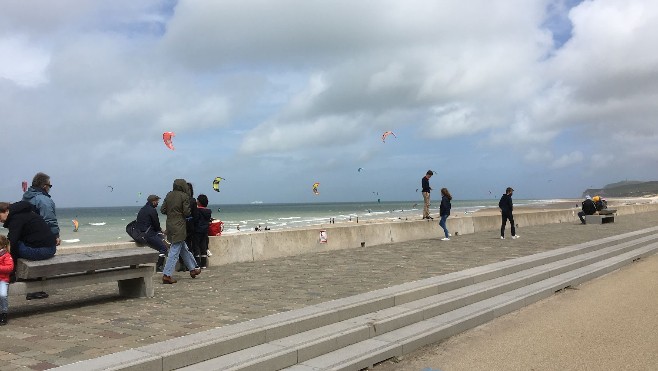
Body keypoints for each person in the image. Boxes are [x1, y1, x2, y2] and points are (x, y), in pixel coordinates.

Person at [0, 201, 57, 298]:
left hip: (43, 250)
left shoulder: (15, 219)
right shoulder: (24, 213)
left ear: (6, 211)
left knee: (13, 247)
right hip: (50, 248)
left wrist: (11, 272)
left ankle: (9, 274)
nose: (0, 221)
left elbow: (12, 244)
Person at [160, 179, 201, 284]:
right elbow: (187, 212)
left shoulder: (169, 195)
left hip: (170, 225)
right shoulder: (184, 196)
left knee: (183, 247)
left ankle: (193, 269)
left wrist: (172, 212)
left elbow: (163, 210)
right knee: (175, 250)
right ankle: (167, 274)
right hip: (180, 225)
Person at [22, 172, 60, 247]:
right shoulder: (43, 200)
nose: (50, 188)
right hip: (39, 243)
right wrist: (56, 236)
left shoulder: (25, 198)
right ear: (45, 186)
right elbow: (49, 220)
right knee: (51, 249)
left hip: (26, 241)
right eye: (50, 186)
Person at [136, 195, 168, 272]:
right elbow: (156, 224)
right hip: (149, 235)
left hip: (141, 233)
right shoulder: (152, 210)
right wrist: (161, 231)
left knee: (160, 238)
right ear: (153, 201)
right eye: (157, 201)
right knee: (163, 248)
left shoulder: (142, 209)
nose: (157, 203)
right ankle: (159, 267)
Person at [193, 194, 212, 268]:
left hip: (197, 230)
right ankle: (203, 264)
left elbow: (196, 220)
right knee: (203, 246)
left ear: (199, 202)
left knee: (196, 246)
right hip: (205, 230)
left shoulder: (197, 211)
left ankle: (197, 263)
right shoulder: (208, 211)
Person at [0, 235, 13, 325]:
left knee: (3, 295)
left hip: (3, 279)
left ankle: (4, 313)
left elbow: (9, 268)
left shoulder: (6, 255)